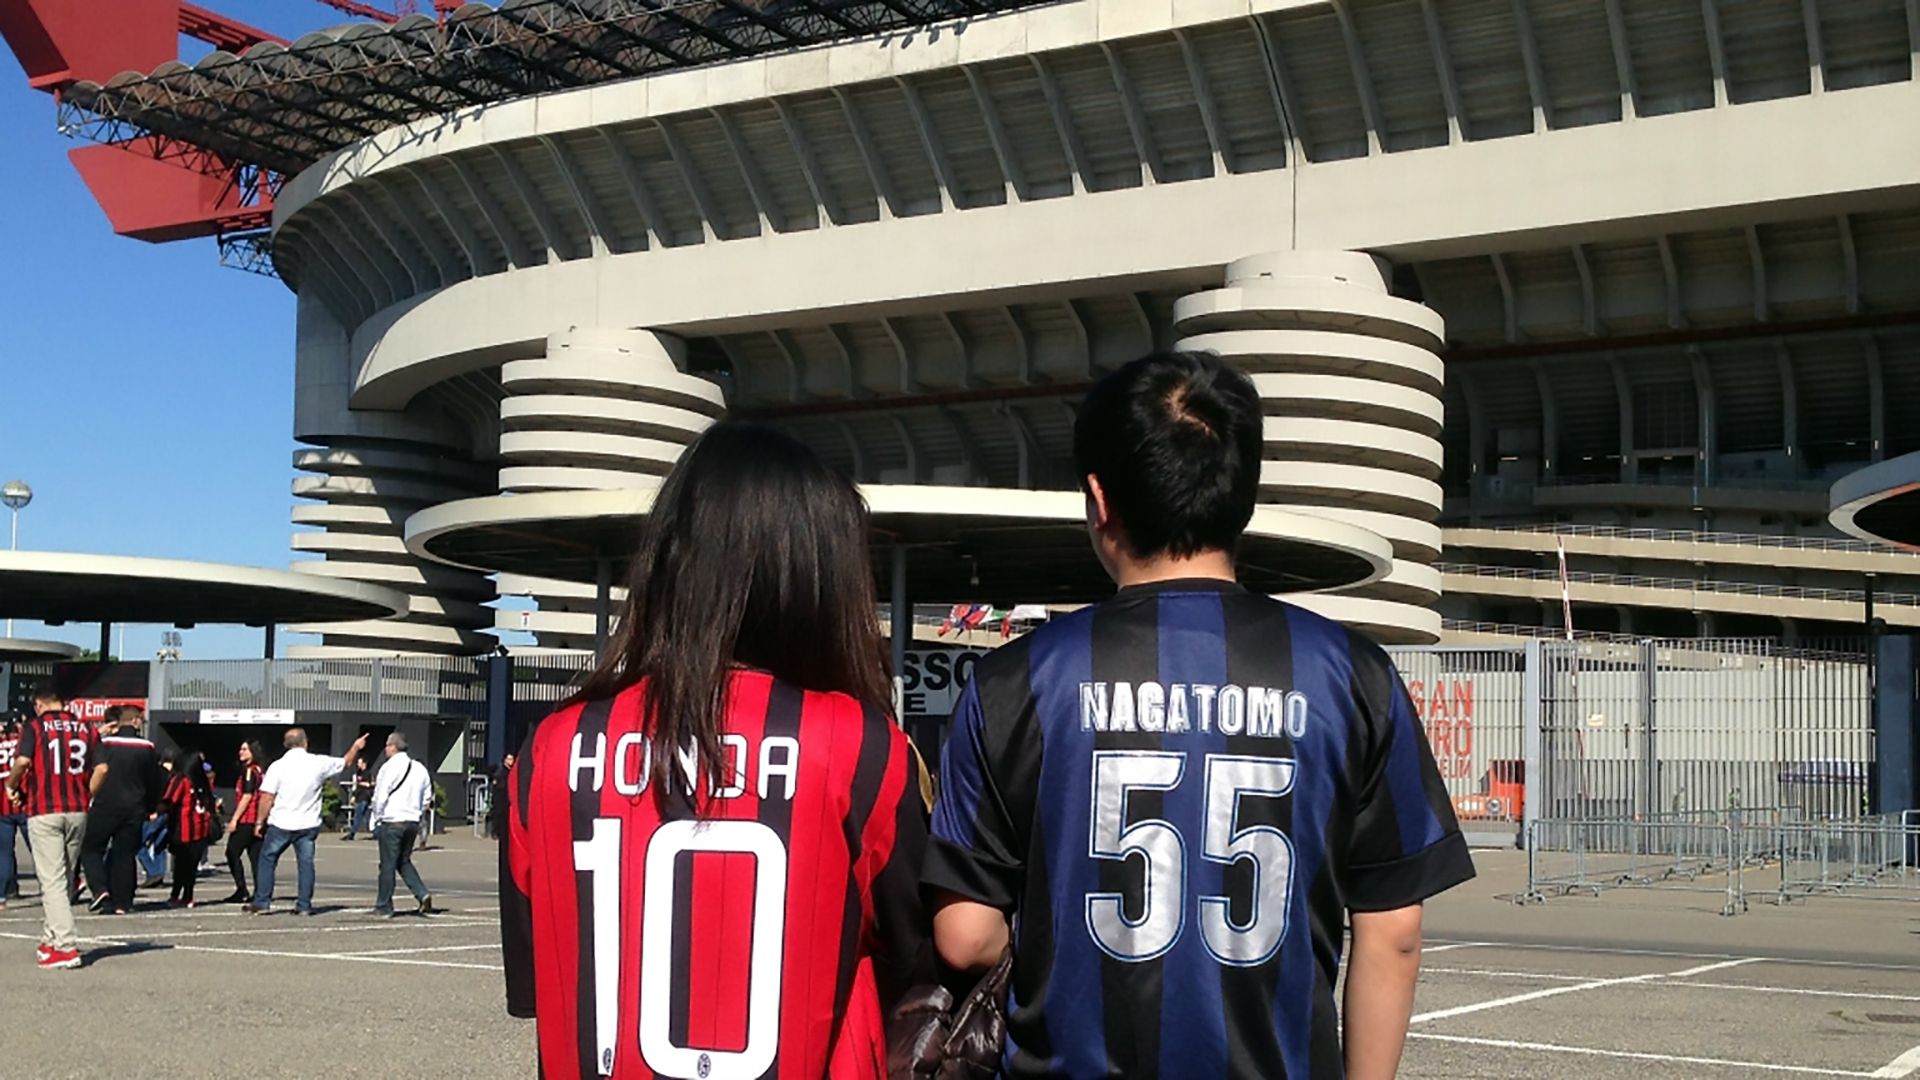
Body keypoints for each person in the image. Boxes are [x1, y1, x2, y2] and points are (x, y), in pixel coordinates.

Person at [924, 352, 1476, 1080]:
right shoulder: (1351, 673)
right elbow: (1394, 932)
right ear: (1242, 492)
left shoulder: (1014, 680)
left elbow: (965, 935)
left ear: (1099, 497)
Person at [500, 422, 931, 1079]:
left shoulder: (549, 750)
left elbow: (541, 983)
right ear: (819, 577)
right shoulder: (862, 748)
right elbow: (920, 966)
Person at [5, 689, 99, 969]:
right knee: (65, 876)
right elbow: (103, 768)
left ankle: (65, 946)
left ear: (39, 704)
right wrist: (88, 793)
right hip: (78, 808)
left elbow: (23, 761)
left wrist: (11, 785)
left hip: (45, 808)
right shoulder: (86, 728)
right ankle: (51, 938)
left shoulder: (35, 727)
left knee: (52, 880)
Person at [252, 728, 369, 916]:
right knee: (305, 864)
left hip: (281, 822)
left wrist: (259, 821)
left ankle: (262, 901)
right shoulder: (318, 762)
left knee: (268, 859)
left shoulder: (277, 766)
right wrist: (356, 746)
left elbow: (267, 796)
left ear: (285, 744)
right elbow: (346, 762)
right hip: (308, 823)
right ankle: (304, 905)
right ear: (305, 743)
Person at [79, 705, 166, 915]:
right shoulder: (147, 747)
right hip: (134, 807)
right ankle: (123, 902)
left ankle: (100, 889)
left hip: (104, 805)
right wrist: (151, 806)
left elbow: (94, 769)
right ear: (135, 721)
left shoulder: (105, 744)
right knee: (125, 854)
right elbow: (155, 780)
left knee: (91, 849)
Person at [368, 732, 435, 917]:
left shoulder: (388, 767)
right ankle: (422, 893)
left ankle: (384, 905)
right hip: (412, 821)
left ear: (393, 747)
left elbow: (380, 796)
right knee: (403, 860)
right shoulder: (419, 768)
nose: (385, 749)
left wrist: (377, 817)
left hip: (392, 820)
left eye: (387, 745)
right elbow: (427, 796)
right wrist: (417, 813)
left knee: (387, 865)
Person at [162, 751, 218, 907]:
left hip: (183, 829)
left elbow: (170, 801)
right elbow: (210, 803)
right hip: (201, 829)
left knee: (180, 864)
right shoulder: (203, 781)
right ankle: (188, 896)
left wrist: (154, 811)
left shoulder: (181, 780)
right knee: (191, 866)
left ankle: (175, 895)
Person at [222, 740, 266, 904]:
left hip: (247, 819)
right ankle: (259, 891)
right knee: (255, 857)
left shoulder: (249, 772)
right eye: (241, 749)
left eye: (245, 749)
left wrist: (234, 819)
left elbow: (247, 796)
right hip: (258, 820)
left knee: (232, 852)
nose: (241, 752)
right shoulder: (260, 771)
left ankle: (242, 889)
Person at [0, 715, 25, 909]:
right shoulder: (23, 740)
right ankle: (62, 888)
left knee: (4, 853)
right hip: (25, 801)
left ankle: (2, 895)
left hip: (2, 804)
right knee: (42, 852)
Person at [341, 757, 373, 840]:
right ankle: (376, 832)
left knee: (358, 816)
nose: (358, 764)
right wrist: (354, 796)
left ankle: (352, 834)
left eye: (360, 763)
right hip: (359, 796)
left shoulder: (367, 773)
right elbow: (357, 786)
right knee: (364, 817)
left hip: (364, 797)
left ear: (364, 764)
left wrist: (360, 783)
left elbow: (368, 784)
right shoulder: (359, 773)